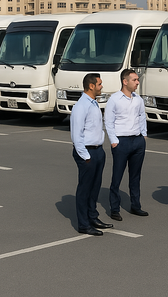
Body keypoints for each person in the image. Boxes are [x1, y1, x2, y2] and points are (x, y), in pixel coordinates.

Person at [70, 73, 114, 236]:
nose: (102, 86)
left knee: (94, 188)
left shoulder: (94, 103)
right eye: (100, 84)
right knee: (85, 189)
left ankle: (92, 217)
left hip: (97, 150)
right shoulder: (81, 106)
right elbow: (76, 133)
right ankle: (83, 224)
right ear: (91, 86)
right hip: (87, 152)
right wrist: (85, 156)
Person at [104, 69, 149, 222]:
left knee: (135, 176)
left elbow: (142, 116)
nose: (137, 82)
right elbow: (108, 121)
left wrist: (143, 135)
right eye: (135, 80)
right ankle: (114, 209)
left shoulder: (138, 100)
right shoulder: (114, 99)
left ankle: (135, 205)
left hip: (137, 141)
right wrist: (114, 141)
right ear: (125, 81)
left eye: (137, 80)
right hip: (121, 142)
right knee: (117, 177)